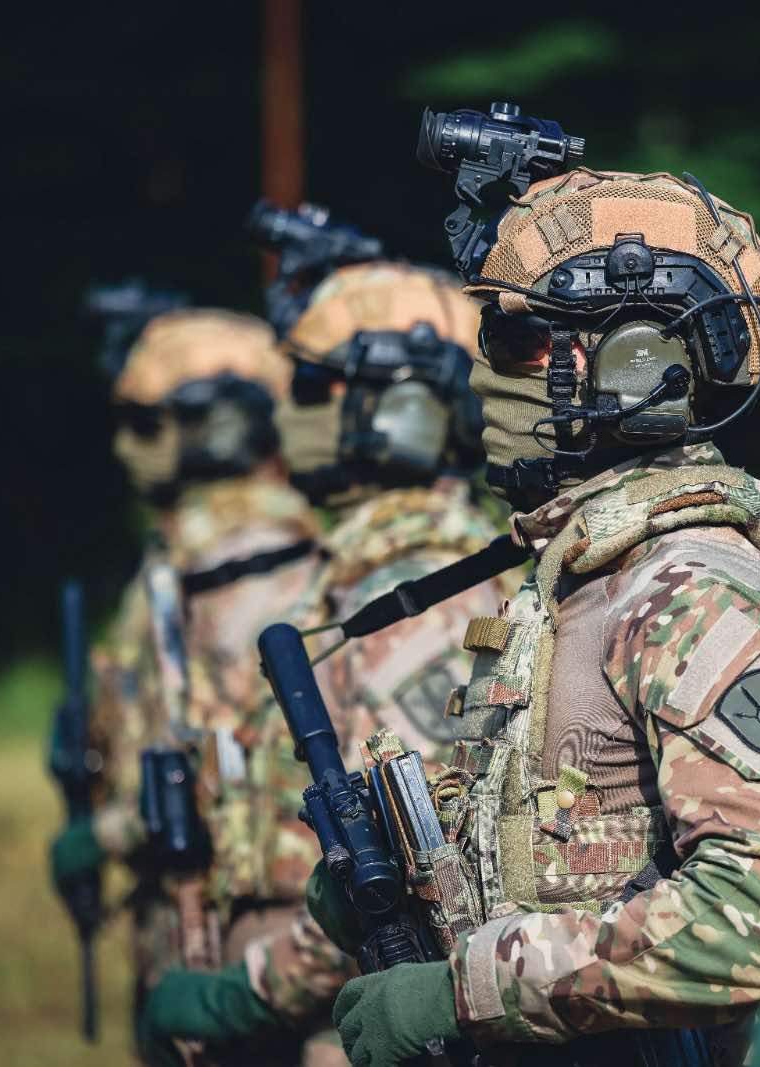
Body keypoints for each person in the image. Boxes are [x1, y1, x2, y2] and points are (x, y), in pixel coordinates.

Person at [299, 161, 760, 1066]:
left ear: (638, 360)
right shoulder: (590, 572)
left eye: (516, 340)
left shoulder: (689, 585)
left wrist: (466, 990)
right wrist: (397, 887)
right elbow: (565, 861)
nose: (484, 372)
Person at [136, 256, 517, 1066]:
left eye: (313, 389)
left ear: (402, 409)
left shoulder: (421, 601)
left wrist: (247, 991)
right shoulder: (352, 579)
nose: (288, 413)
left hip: (351, 1029)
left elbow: (414, 879)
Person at [46, 306, 320, 1045]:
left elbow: (238, 764)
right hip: (183, 917)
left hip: (247, 936)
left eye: (147, 425)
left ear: (218, 425)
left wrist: (105, 834)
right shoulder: (186, 551)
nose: (125, 447)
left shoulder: (250, 561)